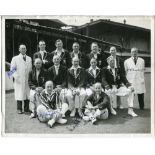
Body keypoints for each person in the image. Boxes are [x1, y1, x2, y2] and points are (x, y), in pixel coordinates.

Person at [10, 44, 32, 114]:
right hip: (19, 80)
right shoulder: (15, 58)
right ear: (19, 49)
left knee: (27, 94)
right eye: (22, 48)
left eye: (24, 48)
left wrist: (31, 78)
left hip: (27, 79)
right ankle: (19, 109)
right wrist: (17, 77)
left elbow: (30, 70)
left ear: (26, 49)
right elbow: (12, 70)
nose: (23, 50)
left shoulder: (29, 58)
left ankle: (26, 109)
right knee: (19, 94)